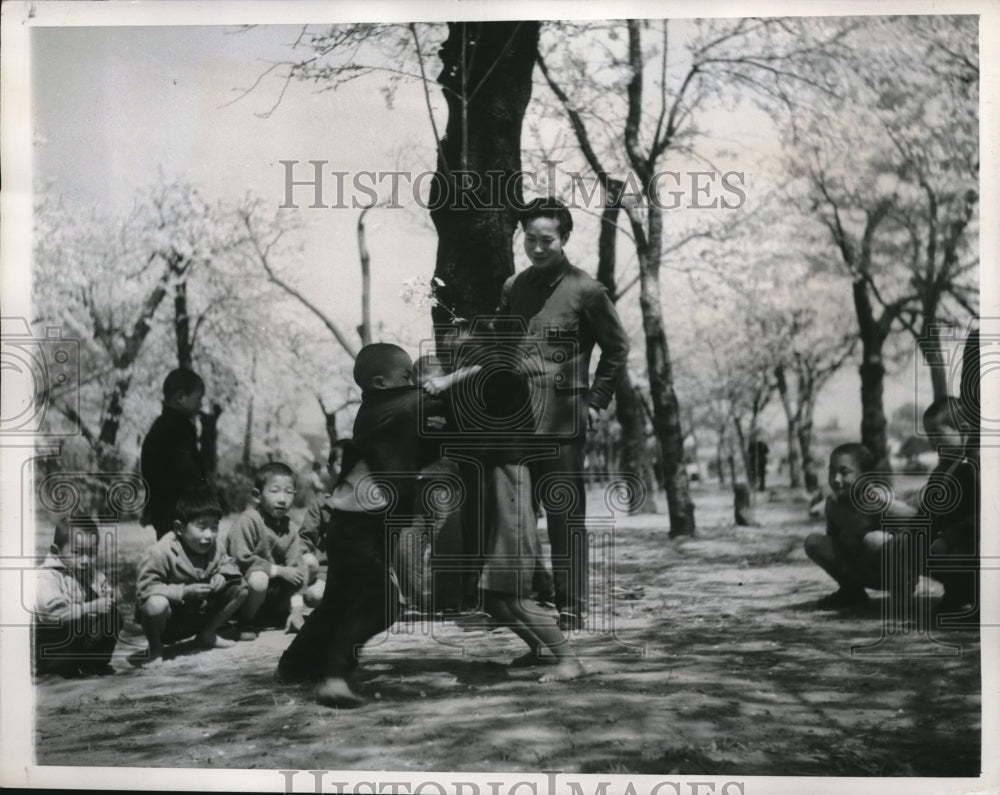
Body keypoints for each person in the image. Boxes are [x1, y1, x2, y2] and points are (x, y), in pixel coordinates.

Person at [277, 343, 458, 707]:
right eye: (408, 376)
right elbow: (443, 404)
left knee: (338, 602)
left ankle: (294, 666)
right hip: (361, 529)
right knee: (385, 600)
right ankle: (333, 674)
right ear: (380, 382)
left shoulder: (379, 412)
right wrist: (465, 376)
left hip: (350, 525)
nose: (418, 382)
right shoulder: (400, 405)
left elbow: (424, 446)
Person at [496, 197, 630, 631]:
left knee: (564, 517)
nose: (537, 248)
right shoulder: (513, 286)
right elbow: (501, 344)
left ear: (565, 238)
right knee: (515, 514)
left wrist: (595, 402)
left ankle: (571, 607)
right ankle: (527, 599)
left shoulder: (586, 290)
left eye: (546, 240)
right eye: (530, 239)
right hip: (517, 418)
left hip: (562, 421)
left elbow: (617, 348)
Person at [428, 324, 585, 681]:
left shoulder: (503, 376)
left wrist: (449, 381)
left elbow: (489, 374)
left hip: (509, 481)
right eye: (453, 355)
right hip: (494, 482)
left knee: (509, 592)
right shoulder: (479, 388)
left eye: (465, 353)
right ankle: (542, 651)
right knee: (492, 597)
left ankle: (568, 660)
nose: (456, 362)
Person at [135, 486, 248, 664]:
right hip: (170, 624)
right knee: (156, 604)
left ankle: (207, 634)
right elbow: (144, 590)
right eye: (202, 527)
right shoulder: (161, 551)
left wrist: (223, 576)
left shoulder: (215, 546)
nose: (209, 535)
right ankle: (155, 648)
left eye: (214, 527)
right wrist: (183, 592)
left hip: (200, 616)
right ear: (179, 528)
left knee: (240, 587)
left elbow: (230, 563)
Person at [803, 443, 918, 608]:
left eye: (844, 473)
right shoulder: (833, 504)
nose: (836, 479)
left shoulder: (879, 500)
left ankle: (902, 597)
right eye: (832, 472)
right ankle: (852, 592)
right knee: (814, 542)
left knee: (875, 539)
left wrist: (890, 507)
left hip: (894, 573)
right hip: (861, 571)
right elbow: (834, 544)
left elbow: (917, 522)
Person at [226, 462, 325, 637]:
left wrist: (296, 610)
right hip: (246, 592)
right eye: (274, 491)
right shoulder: (249, 520)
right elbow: (240, 560)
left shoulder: (290, 527)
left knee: (307, 561)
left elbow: (296, 570)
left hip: (273, 594)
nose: (282, 499)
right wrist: (279, 570)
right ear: (257, 496)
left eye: (288, 492)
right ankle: (246, 621)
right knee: (259, 578)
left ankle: (284, 615)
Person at [33, 518, 121, 677]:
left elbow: (104, 588)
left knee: (113, 615)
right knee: (74, 619)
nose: (85, 560)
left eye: (91, 553)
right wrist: (90, 607)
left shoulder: (88, 573)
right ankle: (54, 670)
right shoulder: (47, 575)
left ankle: (93, 664)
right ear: (55, 551)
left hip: (76, 642)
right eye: (77, 553)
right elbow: (51, 614)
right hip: (52, 646)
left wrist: (111, 596)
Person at [922, 395, 979, 612]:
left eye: (937, 434)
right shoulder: (940, 472)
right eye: (928, 435)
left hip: (968, 542)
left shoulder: (975, 469)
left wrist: (949, 537)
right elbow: (927, 512)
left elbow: (982, 516)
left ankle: (969, 595)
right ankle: (956, 591)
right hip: (949, 545)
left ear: (963, 431)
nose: (931, 441)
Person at [140, 369, 208, 540]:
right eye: (198, 398)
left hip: (166, 511)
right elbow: (189, 471)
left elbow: (148, 469)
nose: (201, 405)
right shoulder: (176, 430)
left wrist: (151, 505)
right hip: (180, 512)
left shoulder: (162, 426)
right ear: (180, 397)